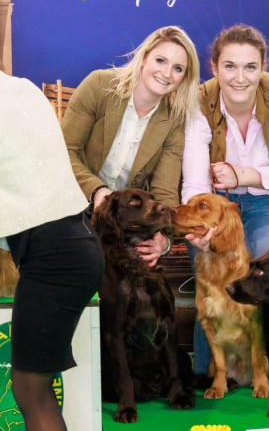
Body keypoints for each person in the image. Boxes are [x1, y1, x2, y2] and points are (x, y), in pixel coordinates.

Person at [0, 69, 104, 431]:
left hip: (55, 257)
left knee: (30, 387)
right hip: (69, 247)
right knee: (34, 386)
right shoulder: (20, 88)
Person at [181, 23, 269, 372]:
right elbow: (195, 182)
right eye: (230, 66)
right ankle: (209, 375)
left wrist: (244, 175)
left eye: (250, 67)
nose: (240, 78)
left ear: (263, 66)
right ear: (214, 67)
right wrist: (203, 231)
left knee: (268, 283)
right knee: (212, 286)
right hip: (216, 206)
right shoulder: (199, 100)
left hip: (268, 201)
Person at [62, 26, 200, 266]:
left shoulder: (174, 120)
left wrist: (163, 241)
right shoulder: (99, 85)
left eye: (178, 68)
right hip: (73, 205)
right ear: (144, 58)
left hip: (124, 222)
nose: (166, 73)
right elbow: (65, 152)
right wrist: (97, 191)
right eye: (160, 60)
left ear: (184, 78)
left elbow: (165, 191)